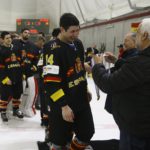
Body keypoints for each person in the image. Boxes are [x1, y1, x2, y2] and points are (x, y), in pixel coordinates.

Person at [92, 18, 150, 150]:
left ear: (145, 35)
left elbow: (108, 84)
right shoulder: (140, 63)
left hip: (137, 130)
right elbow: (137, 74)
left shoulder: (138, 63)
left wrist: (98, 66)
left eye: (138, 34)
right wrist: (118, 61)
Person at [43, 13, 95, 150]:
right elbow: (51, 82)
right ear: (62, 29)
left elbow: (78, 68)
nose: (76, 34)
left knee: (87, 132)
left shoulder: (78, 43)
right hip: (62, 102)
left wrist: (86, 88)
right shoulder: (51, 48)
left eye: (78, 30)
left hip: (80, 98)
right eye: (72, 31)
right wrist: (64, 106)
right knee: (59, 141)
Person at [104, 32, 138, 114]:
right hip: (119, 97)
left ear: (135, 42)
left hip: (124, 98)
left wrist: (115, 61)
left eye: (126, 40)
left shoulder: (136, 55)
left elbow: (127, 68)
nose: (124, 43)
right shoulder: (127, 54)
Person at [13, 28, 38, 117]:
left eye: (28, 33)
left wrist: (34, 66)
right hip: (17, 72)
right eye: (25, 32)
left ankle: (27, 108)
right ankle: (15, 109)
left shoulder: (32, 45)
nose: (27, 34)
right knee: (18, 92)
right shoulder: (14, 43)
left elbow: (36, 59)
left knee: (32, 92)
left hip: (29, 72)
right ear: (21, 33)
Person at [0, 31, 24, 122]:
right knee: (4, 96)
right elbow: (1, 69)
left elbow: (20, 63)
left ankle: (16, 110)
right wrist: (5, 79)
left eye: (10, 38)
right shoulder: (1, 51)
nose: (9, 39)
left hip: (16, 77)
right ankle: (3, 112)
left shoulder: (16, 49)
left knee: (17, 94)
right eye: (7, 38)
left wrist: (22, 74)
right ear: (2, 39)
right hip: (6, 78)